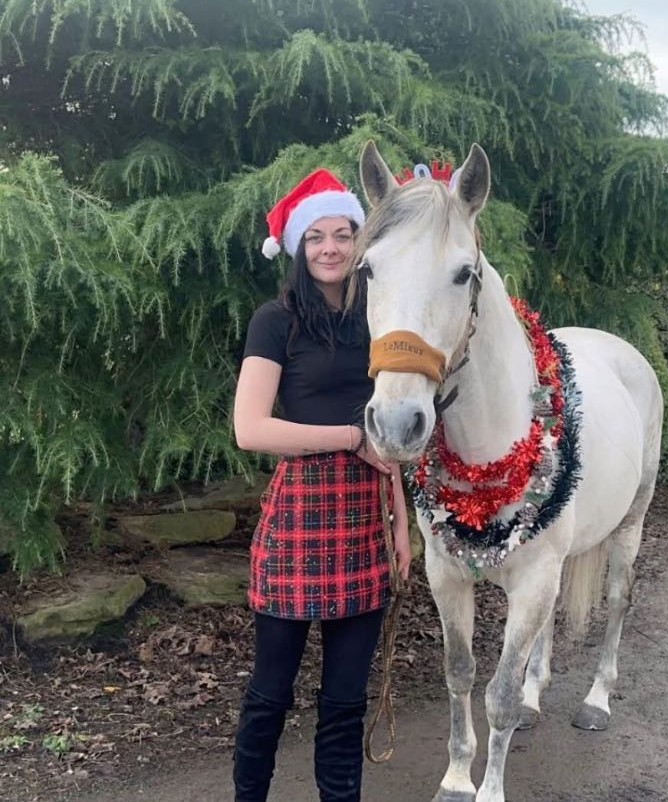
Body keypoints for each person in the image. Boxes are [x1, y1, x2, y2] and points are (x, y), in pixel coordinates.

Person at [232, 168, 411, 802]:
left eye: (343, 234)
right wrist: (349, 437)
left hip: (366, 521)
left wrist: (401, 523)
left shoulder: (378, 322)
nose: (331, 248)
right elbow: (251, 429)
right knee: (270, 695)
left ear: (361, 244)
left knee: (344, 702)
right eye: (316, 238)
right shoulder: (275, 321)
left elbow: (388, 444)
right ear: (298, 250)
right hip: (298, 518)